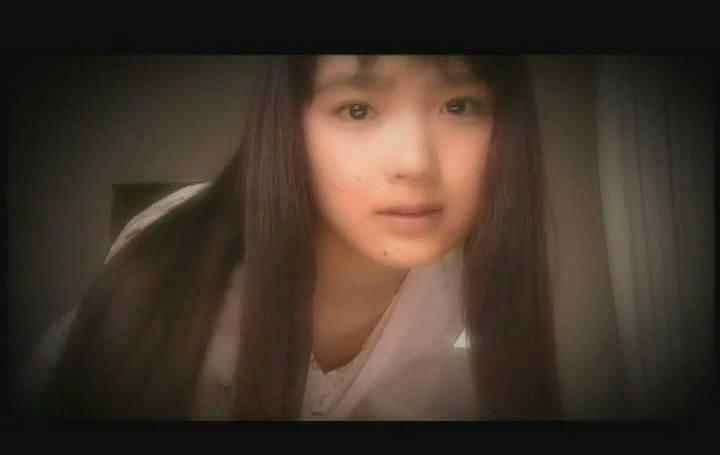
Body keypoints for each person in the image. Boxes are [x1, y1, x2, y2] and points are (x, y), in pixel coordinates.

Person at [21, 55, 561, 420]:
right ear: (289, 128)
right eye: (357, 109)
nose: (416, 162)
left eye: (459, 105)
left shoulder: (448, 288)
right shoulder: (185, 246)